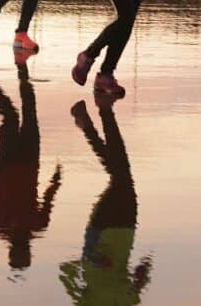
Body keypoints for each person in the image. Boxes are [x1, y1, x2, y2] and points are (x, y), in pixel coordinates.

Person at [58, 97, 152, 304]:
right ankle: (92, 119)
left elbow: (65, 272)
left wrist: (93, 258)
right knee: (120, 173)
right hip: (127, 231)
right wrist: (141, 277)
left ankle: (103, 111)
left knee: (121, 174)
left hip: (100, 233)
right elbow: (136, 289)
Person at [0, 51, 62, 270]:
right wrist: (56, 180)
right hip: (29, 160)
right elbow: (48, 199)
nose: (22, 245)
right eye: (24, 250)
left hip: (7, 163)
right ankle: (22, 70)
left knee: (11, 116)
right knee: (28, 111)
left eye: (18, 250)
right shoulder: (38, 225)